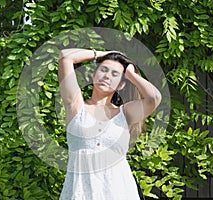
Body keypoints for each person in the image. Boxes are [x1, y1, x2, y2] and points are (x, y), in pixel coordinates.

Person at [58, 48, 162, 200]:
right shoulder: (76, 106)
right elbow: (65, 57)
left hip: (120, 192)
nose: (107, 76)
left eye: (114, 74)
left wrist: (131, 74)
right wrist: (102, 54)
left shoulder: (125, 113)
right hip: (80, 193)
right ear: (94, 75)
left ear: (121, 85)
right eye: (103, 70)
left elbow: (154, 98)